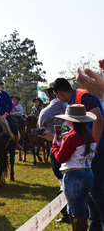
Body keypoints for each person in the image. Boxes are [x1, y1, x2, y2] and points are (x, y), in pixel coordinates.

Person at [52, 77, 104, 230]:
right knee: (91, 195)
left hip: (93, 155)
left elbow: (99, 120)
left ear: (59, 93)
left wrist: (93, 146)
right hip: (90, 156)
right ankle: (94, 226)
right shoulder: (76, 101)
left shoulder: (83, 97)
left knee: (93, 195)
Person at [46, 104, 96, 231]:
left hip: (74, 175)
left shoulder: (71, 136)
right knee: (78, 208)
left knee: (77, 211)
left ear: (71, 120)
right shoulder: (89, 136)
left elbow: (61, 157)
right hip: (88, 174)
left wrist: (54, 146)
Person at [37, 83, 70, 224]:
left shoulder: (46, 111)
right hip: (74, 145)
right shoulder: (73, 106)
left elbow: (40, 126)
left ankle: (67, 213)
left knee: (62, 180)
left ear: (51, 94)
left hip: (57, 147)